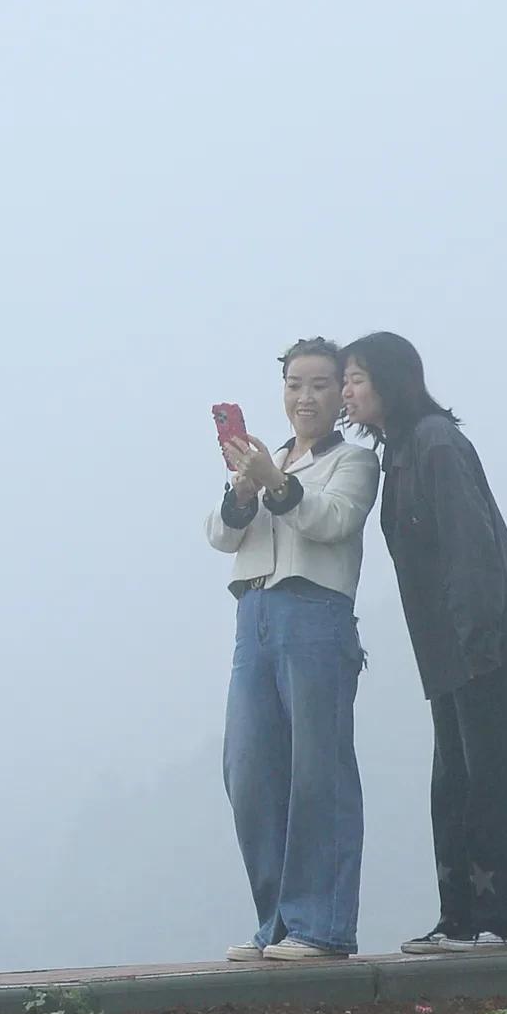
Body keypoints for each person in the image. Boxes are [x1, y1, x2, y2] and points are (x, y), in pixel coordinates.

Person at [341, 332, 507, 953]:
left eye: (355, 378)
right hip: (448, 654)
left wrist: (477, 637)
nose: (347, 392)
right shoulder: (403, 451)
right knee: (454, 785)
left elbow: (472, 546)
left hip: (482, 644)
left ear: (389, 380)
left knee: (493, 782)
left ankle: (503, 921)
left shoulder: (436, 443)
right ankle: (458, 918)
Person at [206, 338, 382, 960]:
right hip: (253, 613)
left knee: (319, 770)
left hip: (314, 612)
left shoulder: (354, 462)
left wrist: (273, 481)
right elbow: (221, 536)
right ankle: (276, 922)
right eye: (294, 385)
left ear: (341, 394)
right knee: (250, 769)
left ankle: (323, 926)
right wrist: (246, 487)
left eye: (320, 385)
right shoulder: (266, 458)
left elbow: (332, 522)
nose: (305, 397)